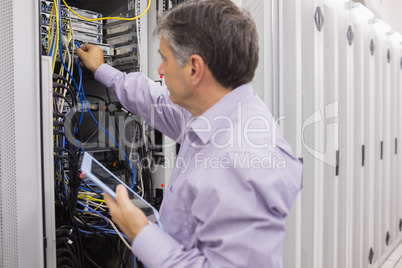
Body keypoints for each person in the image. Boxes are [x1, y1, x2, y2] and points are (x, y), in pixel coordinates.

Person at [76, 0, 302, 267]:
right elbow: (153, 100)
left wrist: (141, 233)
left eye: (165, 60)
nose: (160, 71)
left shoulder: (245, 156)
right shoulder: (212, 111)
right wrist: (101, 69)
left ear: (194, 69)